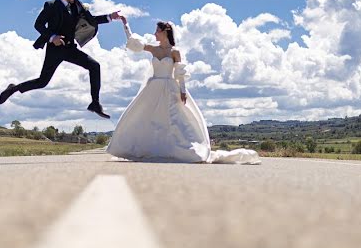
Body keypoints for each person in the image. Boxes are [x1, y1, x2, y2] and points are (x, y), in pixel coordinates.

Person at [106, 17, 260, 164]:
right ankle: (146, 147)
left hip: (170, 88)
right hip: (152, 88)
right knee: (144, 116)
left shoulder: (175, 52)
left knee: (175, 119)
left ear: (165, 32)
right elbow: (133, 43)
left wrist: (183, 91)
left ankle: (179, 148)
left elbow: (179, 73)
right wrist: (125, 24)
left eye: (157, 31)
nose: (154, 34)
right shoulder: (153, 49)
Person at [0, 0, 120, 118]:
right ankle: (13, 88)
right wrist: (52, 37)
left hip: (70, 49)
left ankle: (95, 103)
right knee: (42, 82)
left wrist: (110, 17)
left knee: (94, 66)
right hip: (54, 50)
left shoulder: (77, 5)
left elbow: (91, 20)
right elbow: (38, 25)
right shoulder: (51, 5)